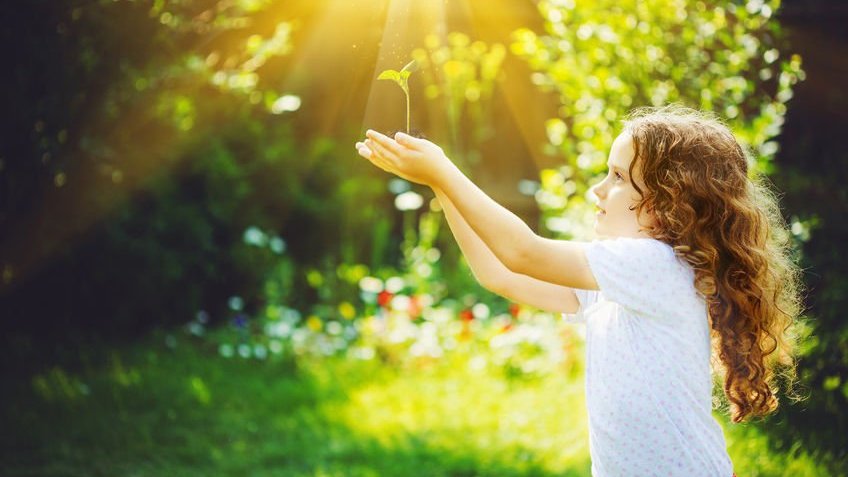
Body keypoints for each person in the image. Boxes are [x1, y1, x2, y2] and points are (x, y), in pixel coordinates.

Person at [355, 104, 804, 477]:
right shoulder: (620, 282)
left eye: (618, 178)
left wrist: (446, 172)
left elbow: (522, 252)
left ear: (671, 203)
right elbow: (500, 273)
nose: (598, 189)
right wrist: (438, 184)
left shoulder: (657, 266)